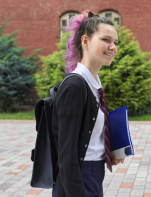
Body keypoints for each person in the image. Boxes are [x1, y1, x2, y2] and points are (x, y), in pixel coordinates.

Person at [52, 10, 125, 197]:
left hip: (93, 172)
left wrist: (107, 151)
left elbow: (89, 132)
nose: (113, 47)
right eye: (106, 40)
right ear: (85, 41)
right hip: (78, 177)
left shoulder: (94, 83)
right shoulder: (75, 86)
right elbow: (66, 156)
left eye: (115, 42)